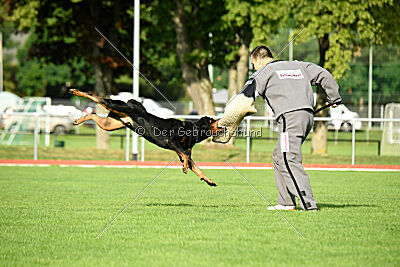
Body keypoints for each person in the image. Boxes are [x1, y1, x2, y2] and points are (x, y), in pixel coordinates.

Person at [242, 45, 342, 211]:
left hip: (290, 118)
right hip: (307, 116)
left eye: (253, 64)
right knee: (279, 155)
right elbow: (324, 74)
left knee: (289, 158)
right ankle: (286, 202)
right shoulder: (299, 66)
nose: (254, 68)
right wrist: (335, 97)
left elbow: (246, 93)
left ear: (258, 60)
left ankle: (308, 203)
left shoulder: (264, 72)